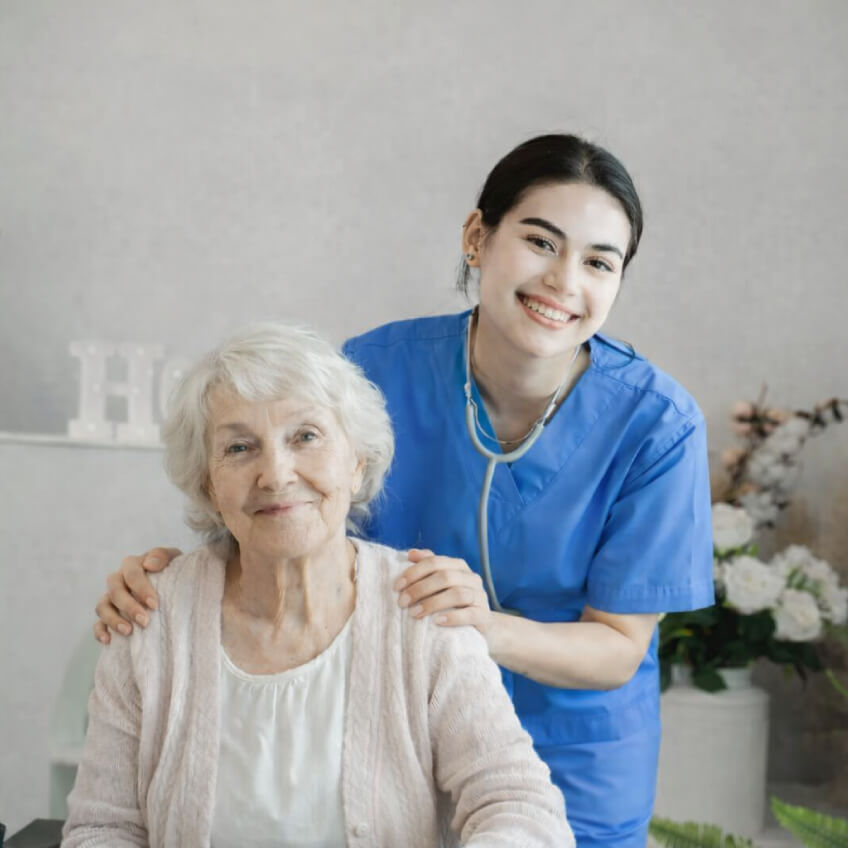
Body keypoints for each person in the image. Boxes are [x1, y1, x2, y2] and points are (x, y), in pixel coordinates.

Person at [93, 134, 714, 847]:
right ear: (477, 237)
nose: (564, 281)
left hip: (576, 754)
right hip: (384, 741)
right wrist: (156, 590)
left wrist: (475, 629)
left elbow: (618, 648)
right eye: (541, 242)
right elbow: (266, 509)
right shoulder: (374, 369)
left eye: (600, 262)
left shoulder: (657, 425)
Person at [63, 323, 573, 847]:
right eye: (240, 448)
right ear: (209, 487)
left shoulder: (423, 610)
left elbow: (519, 804)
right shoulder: (150, 618)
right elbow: (103, 828)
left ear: (357, 463)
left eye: (305, 437)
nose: (276, 474)